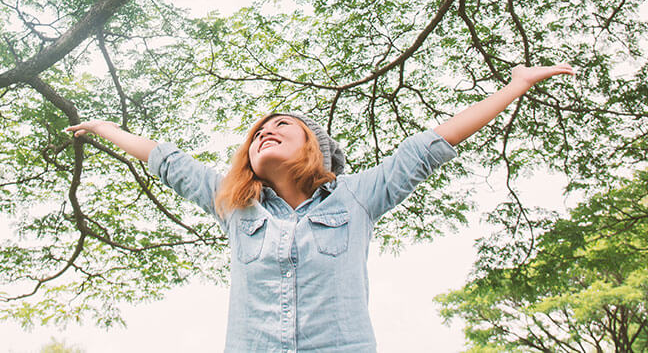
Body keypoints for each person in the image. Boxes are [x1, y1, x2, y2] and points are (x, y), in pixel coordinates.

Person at [65, 64, 575, 352]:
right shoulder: (233, 205)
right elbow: (167, 160)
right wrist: (105, 128)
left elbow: (429, 146)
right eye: (257, 133)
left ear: (315, 148)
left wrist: (515, 86)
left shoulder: (358, 197)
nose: (265, 132)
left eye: (281, 126)